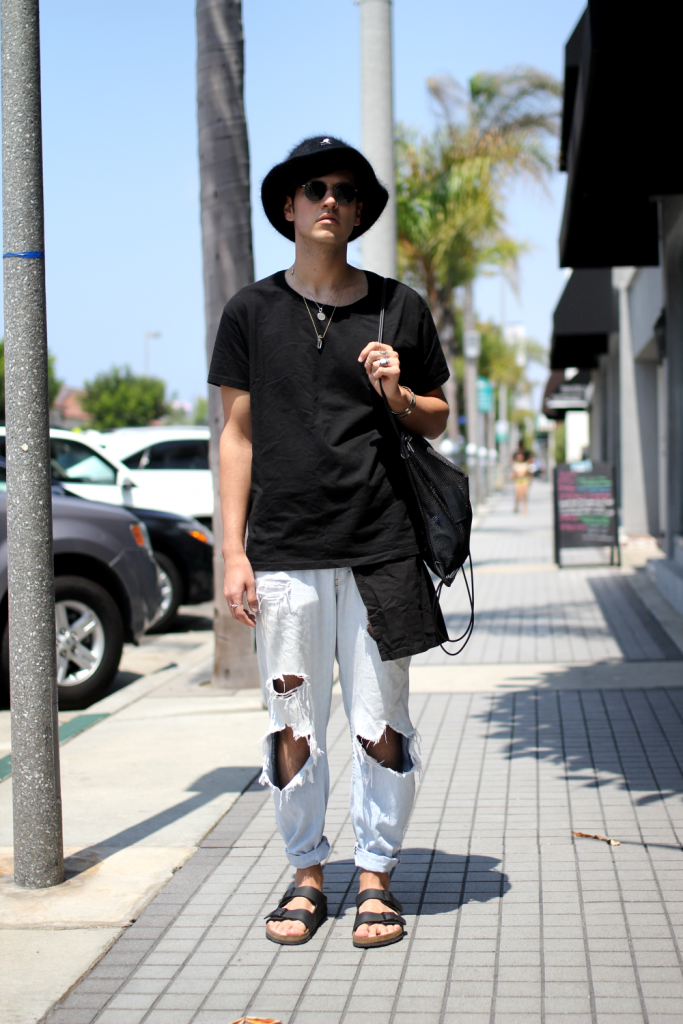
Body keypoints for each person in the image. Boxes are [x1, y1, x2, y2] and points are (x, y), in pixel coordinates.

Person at [208, 136, 449, 949]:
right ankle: (307, 873)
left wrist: (398, 391)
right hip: (284, 553)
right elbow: (235, 435)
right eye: (313, 188)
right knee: (292, 724)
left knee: (381, 720)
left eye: (344, 191)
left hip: (381, 547)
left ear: (356, 212)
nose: (328, 200)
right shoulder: (250, 311)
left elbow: (438, 416)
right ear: (288, 206)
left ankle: (375, 874)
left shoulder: (398, 307)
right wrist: (233, 551)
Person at [511, 448, 532, 513]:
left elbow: (529, 474)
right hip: (518, 481)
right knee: (517, 494)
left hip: (524, 480)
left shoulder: (525, 465)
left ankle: (524, 508)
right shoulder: (515, 465)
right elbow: (513, 475)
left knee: (524, 495)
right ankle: (516, 506)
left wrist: (530, 481)